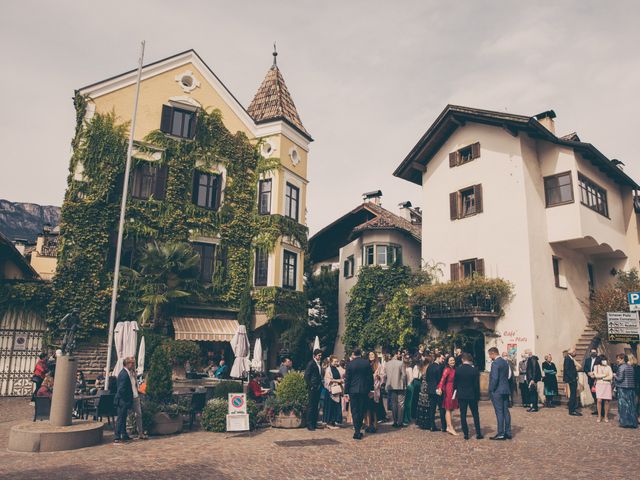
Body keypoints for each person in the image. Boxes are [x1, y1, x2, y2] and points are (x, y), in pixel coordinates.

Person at [344, 348, 373, 440]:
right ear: (361, 354)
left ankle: (356, 431)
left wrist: (346, 392)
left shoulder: (350, 364)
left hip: (353, 390)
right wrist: (370, 389)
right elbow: (370, 378)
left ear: (353, 354)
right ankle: (358, 430)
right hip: (364, 390)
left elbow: (347, 379)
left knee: (354, 410)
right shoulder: (366, 363)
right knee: (361, 410)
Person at [454, 353, 483, 440]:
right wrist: (478, 396)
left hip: (462, 395)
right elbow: (476, 385)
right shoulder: (474, 370)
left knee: (463, 414)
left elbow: (455, 384)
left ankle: (466, 434)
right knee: (475, 414)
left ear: (463, 360)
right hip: (472, 395)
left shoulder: (458, 370)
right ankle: (478, 433)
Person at [488, 346, 512, 440]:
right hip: (505, 389)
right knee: (506, 411)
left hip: (497, 391)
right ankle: (508, 432)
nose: (490, 357)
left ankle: (501, 433)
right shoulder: (505, 362)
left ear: (493, 353)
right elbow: (508, 375)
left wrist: (491, 389)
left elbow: (494, 378)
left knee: (499, 412)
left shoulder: (495, 363)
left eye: (490, 355)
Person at [114, 357, 135, 443]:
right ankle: (117, 436)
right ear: (127, 364)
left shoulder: (126, 373)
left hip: (123, 400)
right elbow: (121, 389)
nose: (133, 365)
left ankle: (124, 434)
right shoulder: (124, 374)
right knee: (121, 418)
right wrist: (126, 400)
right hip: (122, 400)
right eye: (132, 363)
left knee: (123, 418)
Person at [614, 354, 638, 428]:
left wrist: (614, 375)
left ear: (622, 359)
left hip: (623, 388)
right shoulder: (630, 367)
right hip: (631, 388)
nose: (617, 360)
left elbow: (620, 378)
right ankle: (633, 422)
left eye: (618, 359)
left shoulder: (621, 367)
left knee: (623, 406)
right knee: (631, 406)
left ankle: (625, 422)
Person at [384, 350, 407, 428]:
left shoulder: (387, 364)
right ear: (396, 354)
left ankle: (395, 421)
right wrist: (405, 384)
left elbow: (385, 375)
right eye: (399, 353)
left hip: (391, 386)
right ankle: (400, 422)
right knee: (401, 404)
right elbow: (404, 375)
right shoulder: (400, 363)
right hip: (400, 386)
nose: (400, 355)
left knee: (394, 404)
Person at [437, 355, 458, 435]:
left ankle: (449, 426)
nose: (452, 362)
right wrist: (439, 388)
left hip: (453, 389)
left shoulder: (454, 369)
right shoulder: (447, 369)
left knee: (450, 408)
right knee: (448, 408)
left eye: (453, 360)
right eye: (451, 360)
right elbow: (442, 379)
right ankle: (449, 427)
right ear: (448, 362)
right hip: (448, 389)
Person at [304, 349, 323, 431]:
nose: (320, 357)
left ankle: (314, 423)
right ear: (315, 356)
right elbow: (306, 376)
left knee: (316, 406)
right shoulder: (311, 363)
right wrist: (311, 386)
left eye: (321, 355)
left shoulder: (318, 364)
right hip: (313, 387)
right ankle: (309, 424)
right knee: (311, 406)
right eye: (319, 355)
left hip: (318, 387)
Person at [426, 353, 446, 432]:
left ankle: (432, 425)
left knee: (432, 408)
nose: (443, 360)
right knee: (441, 408)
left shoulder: (429, 367)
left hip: (430, 389)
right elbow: (440, 379)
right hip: (438, 389)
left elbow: (427, 378)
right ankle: (443, 426)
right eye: (442, 358)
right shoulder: (439, 367)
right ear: (437, 358)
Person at [589, 356, 612, 423]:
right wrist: (605, 375)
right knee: (599, 400)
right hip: (599, 385)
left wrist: (603, 378)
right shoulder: (596, 367)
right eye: (603, 360)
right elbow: (596, 375)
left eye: (605, 360)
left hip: (607, 385)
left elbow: (610, 376)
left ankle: (605, 416)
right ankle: (599, 416)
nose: (605, 361)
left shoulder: (608, 367)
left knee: (607, 401)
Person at [323, 355, 344, 428]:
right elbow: (327, 380)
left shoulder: (337, 368)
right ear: (331, 362)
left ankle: (334, 421)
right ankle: (329, 422)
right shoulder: (328, 369)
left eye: (337, 361)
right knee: (330, 406)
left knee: (336, 406)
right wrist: (337, 381)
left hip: (337, 390)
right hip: (331, 391)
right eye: (335, 361)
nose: (336, 363)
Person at [364, 352, 381, 433]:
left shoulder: (378, 365)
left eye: (372, 355)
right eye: (370, 355)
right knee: (367, 407)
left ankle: (374, 425)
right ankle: (367, 424)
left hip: (375, 388)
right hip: (367, 388)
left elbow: (382, 375)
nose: (371, 356)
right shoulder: (366, 364)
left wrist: (378, 377)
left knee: (374, 408)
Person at [563, 348, 582, 416]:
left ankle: (572, 409)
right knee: (573, 395)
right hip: (571, 380)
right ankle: (572, 410)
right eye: (574, 352)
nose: (575, 353)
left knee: (573, 395)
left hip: (572, 379)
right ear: (571, 352)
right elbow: (567, 370)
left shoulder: (570, 358)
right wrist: (573, 378)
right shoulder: (568, 358)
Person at [416, 355, 432, 429]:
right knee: (427, 403)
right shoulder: (428, 368)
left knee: (422, 403)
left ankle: (420, 421)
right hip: (427, 386)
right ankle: (426, 422)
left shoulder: (422, 367)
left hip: (422, 386)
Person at [583, 348, 599, 415]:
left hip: (597, 380)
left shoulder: (599, 359)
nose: (593, 353)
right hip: (590, 380)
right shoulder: (587, 360)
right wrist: (588, 373)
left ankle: (602, 410)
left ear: (597, 353)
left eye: (594, 352)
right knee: (594, 395)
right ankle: (597, 409)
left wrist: (595, 374)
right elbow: (585, 368)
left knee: (599, 395)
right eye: (592, 352)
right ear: (590, 353)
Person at [402, 355, 417, 425]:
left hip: (404, 387)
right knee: (408, 403)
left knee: (405, 403)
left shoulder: (403, 369)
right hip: (409, 386)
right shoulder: (410, 369)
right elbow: (411, 379)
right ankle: (407, 417)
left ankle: (405, 417)